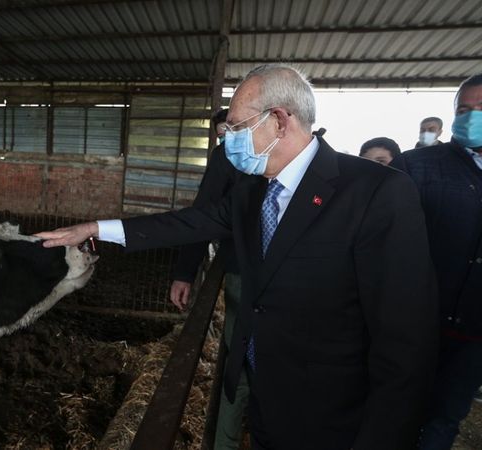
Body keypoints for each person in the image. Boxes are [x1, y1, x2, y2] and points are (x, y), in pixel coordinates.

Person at [37, 63, 438, 450]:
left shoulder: (376, 193)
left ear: (280, 121)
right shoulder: (251, 190)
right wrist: (96, 229)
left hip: (331, 414)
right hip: (263, 397)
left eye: (238, 128)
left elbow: (404, 341)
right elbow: (188, 223)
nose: (229, 140)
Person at [390, 73, 482, 450]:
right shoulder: (417, 166)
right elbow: (381, 244)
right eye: (464, 109)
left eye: (480, 109)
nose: (471, 116)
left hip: (475, 331)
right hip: (416, 323)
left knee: (445, 419)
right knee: (396, 412)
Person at [170, 107, 248, 450]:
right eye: (222, 134)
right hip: (242, 272)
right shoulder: (227, 156)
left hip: (269, 277)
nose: (227, 140)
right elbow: (203, 215)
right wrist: (185, 271)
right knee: (241, 366)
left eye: (232, 130)